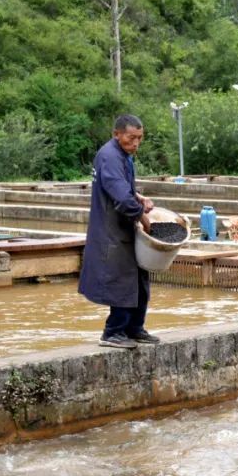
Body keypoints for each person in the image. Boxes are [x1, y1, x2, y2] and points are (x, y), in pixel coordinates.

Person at [79, 114, 159, 349]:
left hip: (124, 228)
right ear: (117, 134)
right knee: (121, 281)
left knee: (138, 279)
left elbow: (123, 189)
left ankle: (134, 328)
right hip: (111, 230)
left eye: (139, 138)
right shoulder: (109, 157)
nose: (135, 143)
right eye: (131, 138)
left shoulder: (122, 156)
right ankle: (113, 331)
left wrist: (139, 197)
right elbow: (122, 200)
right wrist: (145, 220)